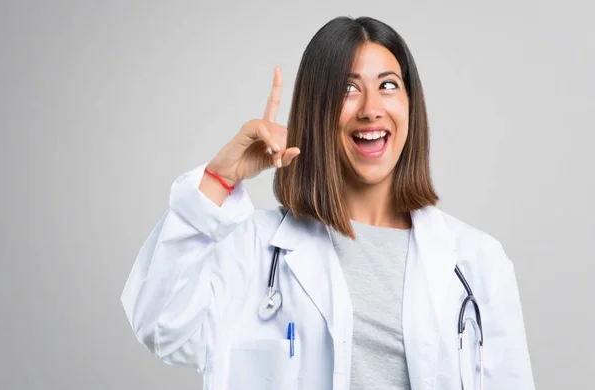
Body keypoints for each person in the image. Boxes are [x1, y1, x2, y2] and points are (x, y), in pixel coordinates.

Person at [121, 16, 535, 390]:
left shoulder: (476, 261)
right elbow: (163, 328)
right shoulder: (254, 248)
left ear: (410, 104)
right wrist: (219, 178)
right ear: (317, 109)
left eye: (388, 85)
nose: (371, 109)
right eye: (347, 89)